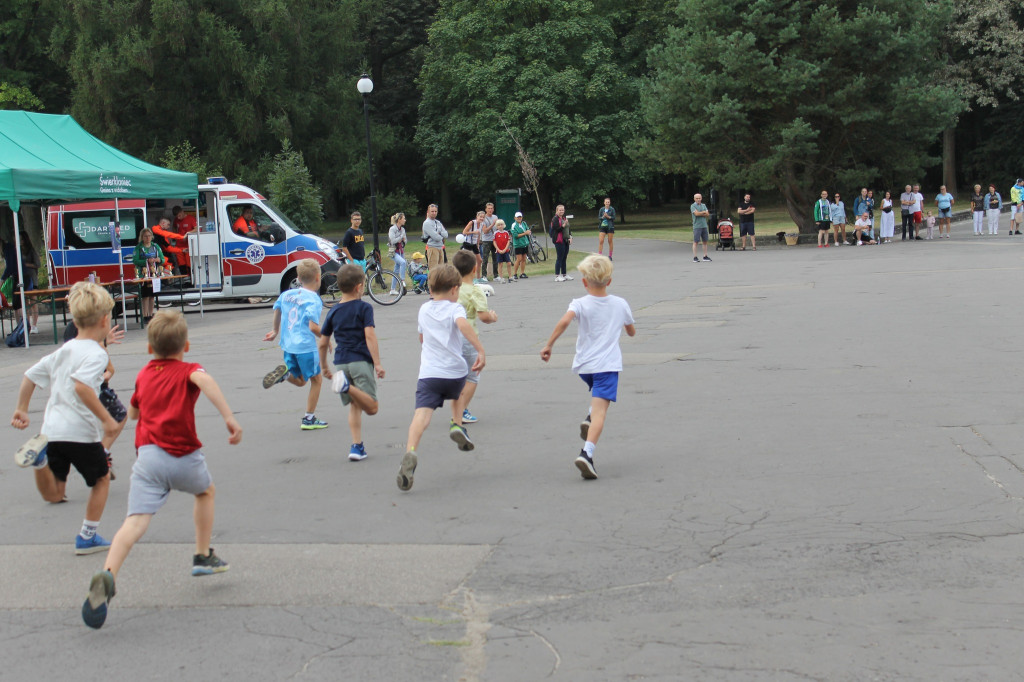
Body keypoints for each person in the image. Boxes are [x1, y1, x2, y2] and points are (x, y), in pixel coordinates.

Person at [80, 310, 243, 630]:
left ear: (148, 349)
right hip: (183, 456)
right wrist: (229, 417)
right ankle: (202, 554)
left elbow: (136, 413)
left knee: (135, 521)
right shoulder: (189, 369)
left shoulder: (144, 374)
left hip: (149, 458)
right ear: (187, 345)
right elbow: (203, 379)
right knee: (205, 491)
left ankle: (108, 573)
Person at [11, 282, 118, 555]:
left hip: (51, 432)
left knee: (55, 494)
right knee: (102, 479)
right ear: (105, 320)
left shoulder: (63, 351)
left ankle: (40, 461)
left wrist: (22, 408)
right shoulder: (97, 353)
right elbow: (82, 386)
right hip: (80, 432)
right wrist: (106, 419)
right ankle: (87, 536)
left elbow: (30, 376)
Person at [540, 254, 635, 480]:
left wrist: (549, 344)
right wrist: (625, 328)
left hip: (584, 367)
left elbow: (564, 321)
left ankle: (590, 417)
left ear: (584, 282)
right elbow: (631, 331)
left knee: (598, 399)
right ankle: (587, 454)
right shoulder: (620, 304)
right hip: (607, 366)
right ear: (609, 281)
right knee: (602, 408)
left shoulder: (579, 303)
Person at [396, 263, 485, 492]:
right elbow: (463, 326)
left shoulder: (424, 309)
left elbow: (421, 338)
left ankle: (411, 450)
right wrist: (480, 349)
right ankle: (456, 424)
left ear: (430, 289)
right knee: (458, 392)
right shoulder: (456, 309)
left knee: (421, 416)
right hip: (454, 371)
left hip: (429, 374)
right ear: (455, 290)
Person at [318, 264, 385, 462]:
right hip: (360, 362)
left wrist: (324, 367)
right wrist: (378, 363)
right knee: (372, 407)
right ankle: (346, 387)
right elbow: (370, 335)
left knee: (355, 406)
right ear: (358, 287)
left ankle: (357, 446)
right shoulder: (364, 307)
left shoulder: (333, 311)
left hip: (341, 363)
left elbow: (323, 343)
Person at [261, 259, 326, 430]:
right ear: (318, 278)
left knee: (301, 380)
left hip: (288, 345)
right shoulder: (314, 300)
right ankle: (309, 419)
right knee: (317, 380)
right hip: (305, 347)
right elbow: (313, 326)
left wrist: (274, 331)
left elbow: (278, 309)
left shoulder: (286, 295)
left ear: (298, 278)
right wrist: (325, 337)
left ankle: (285, 375)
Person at [452, 250, 498, 425]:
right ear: (474, 269)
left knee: (459, 373)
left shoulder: (452, 289)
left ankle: (456, 405)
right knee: (473, 375)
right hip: (468, 337)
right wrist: (492, 316)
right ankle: (461, 410)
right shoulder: (475, 290)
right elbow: (483, 316)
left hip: (451, 336)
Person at [132, 227, 166, 325]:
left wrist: (158, 260)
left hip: (154, 274)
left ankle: (151, 314)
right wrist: (146, 261)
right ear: (142, 237)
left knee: (152, 296)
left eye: (149, 236)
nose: (147, 238)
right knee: (145, 296)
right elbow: (135, 260)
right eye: (145, 236)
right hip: (143, 274)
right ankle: (145, 315)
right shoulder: (139, 247)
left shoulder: (155, 246)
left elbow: (162, 259)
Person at [550, 204, 574, 280]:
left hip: (565, 240)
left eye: (562, 210)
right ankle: (557, 275)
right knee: (559, 257)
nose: (561, 211)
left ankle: (564, 274)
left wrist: (570, 236)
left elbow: (568, 229)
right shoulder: (555, 219)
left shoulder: (564, 218)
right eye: (560, 210)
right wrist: (564, 224)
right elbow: (557, 229)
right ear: (557, 211)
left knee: (564, 257)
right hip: (559, 240)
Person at [422, 204, 448, 270]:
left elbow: (446, 234)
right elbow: (436, 237)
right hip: (432, 248)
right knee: (433, 270)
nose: (434, 213)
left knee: (441, 270)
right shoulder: (427, 223)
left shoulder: (438, 222)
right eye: (432, 211)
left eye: (435, 211)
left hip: (440, 247)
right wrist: (440, 234)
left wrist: (439, 233)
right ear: (428, 212)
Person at [479, 203, 499, 282]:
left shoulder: (495, 217)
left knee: (495, 258)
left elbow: (497, 227)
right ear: (486, 209)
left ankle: (496, 275)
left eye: (491, 208)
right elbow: (485, 231)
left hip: (494, 240)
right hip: (486, 240)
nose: (490, 210)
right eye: (489, 208)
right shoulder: (484, 218)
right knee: (485, 258)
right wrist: (493, 224)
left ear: (493, 209)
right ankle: (484, 275)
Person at [388, 213, 408, 291]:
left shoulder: (402, 229)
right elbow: (392, 241)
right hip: (394, 251)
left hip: (401, 251)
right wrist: (400, 237)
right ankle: (402, 280)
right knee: (403, 262)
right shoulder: (392, 229)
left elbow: (405, 240)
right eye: (404, 218)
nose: (405, 220)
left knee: (396, 271)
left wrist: (403, 240)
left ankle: (392, 289)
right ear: (399, 219)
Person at [461, 210, 484, 280]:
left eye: (483, 217)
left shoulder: (482, 224)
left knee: (479, 260)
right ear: (477, 216)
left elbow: (479, 235)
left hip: (474, 244)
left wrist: (478, 245)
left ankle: (478, 277)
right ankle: (466, 277)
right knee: (468, 261)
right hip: (468, 244)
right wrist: (474, 232)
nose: (482, 219)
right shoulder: (472, 222)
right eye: (480, 217)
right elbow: (464, 232)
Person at [510, 212, 532, 281]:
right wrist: (525, 233)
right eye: (518, 217)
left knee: (524, 259)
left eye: (520, 217)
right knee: (518, 259)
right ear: (515, 218)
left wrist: (528, 232)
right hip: (518, 244)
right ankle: (515, 274)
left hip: (525, 243)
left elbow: (528, 229)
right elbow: (515, 235)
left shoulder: (524, 223)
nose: (519, 218)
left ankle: (522, 273)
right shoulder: (514, 225)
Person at [690, 193, 711, 262]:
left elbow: (707, 214)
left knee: (705, 241)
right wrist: (703, 212)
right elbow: (696, 214)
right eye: (697, 198)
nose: (698, 199)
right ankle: (695, 257)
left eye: (699, 198)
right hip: (697, 226)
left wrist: (702, 213)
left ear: (701, 198)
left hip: (704, 225)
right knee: (696, 241)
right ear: (694, 199)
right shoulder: (693, 206)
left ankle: (705, 256)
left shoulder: (703, 205)